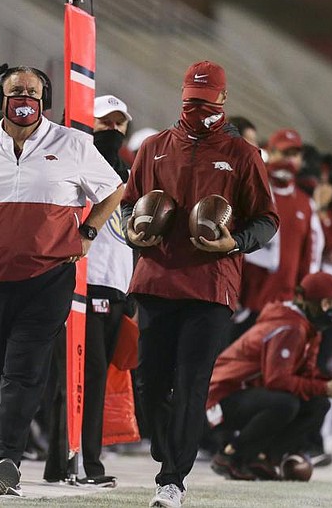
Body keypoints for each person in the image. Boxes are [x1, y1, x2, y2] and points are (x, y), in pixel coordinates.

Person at [0, 65, 123, 495]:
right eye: (15, 90)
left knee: (23, 370)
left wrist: (88, 232)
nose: (24, 97)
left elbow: (113, 189)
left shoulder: (73, 143)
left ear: (46, 97)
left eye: (32, 91)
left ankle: (5, 460)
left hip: (47, 278)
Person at [121, 60, 279, 508]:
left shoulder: (243, 155)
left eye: (205, 101)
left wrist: (236, 241)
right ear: (181, 94)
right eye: (191, 99)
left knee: (191, 383)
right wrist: (132, 231)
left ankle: (172, 478)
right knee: (150, 383)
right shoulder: (153, 148)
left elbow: (268, 219)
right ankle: (167, 451)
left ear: (223, 100)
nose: (196, 107)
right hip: (154, 280)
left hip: (210, 287)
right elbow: (128, 207)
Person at [207, 272, 332, 480]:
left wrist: (326, 385)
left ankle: (264, 457)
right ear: (311, 300)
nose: (331, 310)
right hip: (218, 398)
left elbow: (306, 375)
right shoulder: (290, 327)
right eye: (328, 303)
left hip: (244, 393)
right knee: (286, 403)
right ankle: (231, 455)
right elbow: (277, 380)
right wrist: (325, 387)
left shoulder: (308, 326)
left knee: (318, 403)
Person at [76, 94, 134, 487]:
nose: (112, 130)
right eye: (104, 122)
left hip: (119, 284)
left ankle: (70, 457)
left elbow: (129, 233)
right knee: (90, 374)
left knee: (103, 374)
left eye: (118, 124)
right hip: (85, 279)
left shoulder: (131, 174)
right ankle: (84, 462)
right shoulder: (79, 162)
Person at [237, 128, 322, 341]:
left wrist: (302, 299)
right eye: (284, 154)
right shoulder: (254, 188)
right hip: (245, 300)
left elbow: (309, 256)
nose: (289, 160)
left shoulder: (305, 204)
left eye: (294, 154)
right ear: (271, 152)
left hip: (281, 304)